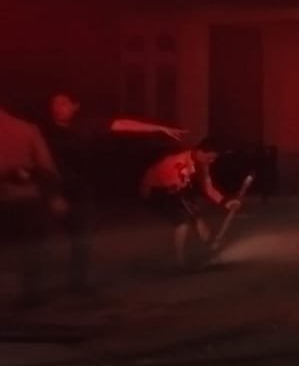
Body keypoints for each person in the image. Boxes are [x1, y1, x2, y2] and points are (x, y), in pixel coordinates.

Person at [39, 91, 185, 291]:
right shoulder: (42, 131)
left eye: (63, 103)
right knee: (41, 238)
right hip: (51, 189)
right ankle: (34, 285)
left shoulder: (86, 126)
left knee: (82, 236)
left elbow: (122, 124)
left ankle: (77, 283)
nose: (57, 107)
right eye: (54, 103)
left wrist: (157, 127)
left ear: (75, 106)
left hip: (81, 190)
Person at [1, 103, 64, 309]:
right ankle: (31, 295)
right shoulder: (27, 129)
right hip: (25, 197)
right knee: (29, 249)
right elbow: (46, 168)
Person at [139, 141, 238, 271]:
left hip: (176, 189)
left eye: (214, 158)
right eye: (209, 157)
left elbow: (207, 187)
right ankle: (180, 261)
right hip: (155, 191)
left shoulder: (202, 163)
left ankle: (211, 246)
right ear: (200, 152)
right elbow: (175, 188)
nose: (212, 161)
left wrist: (225, 202)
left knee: (194, 215)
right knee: (184, 221)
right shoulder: (180, 163)